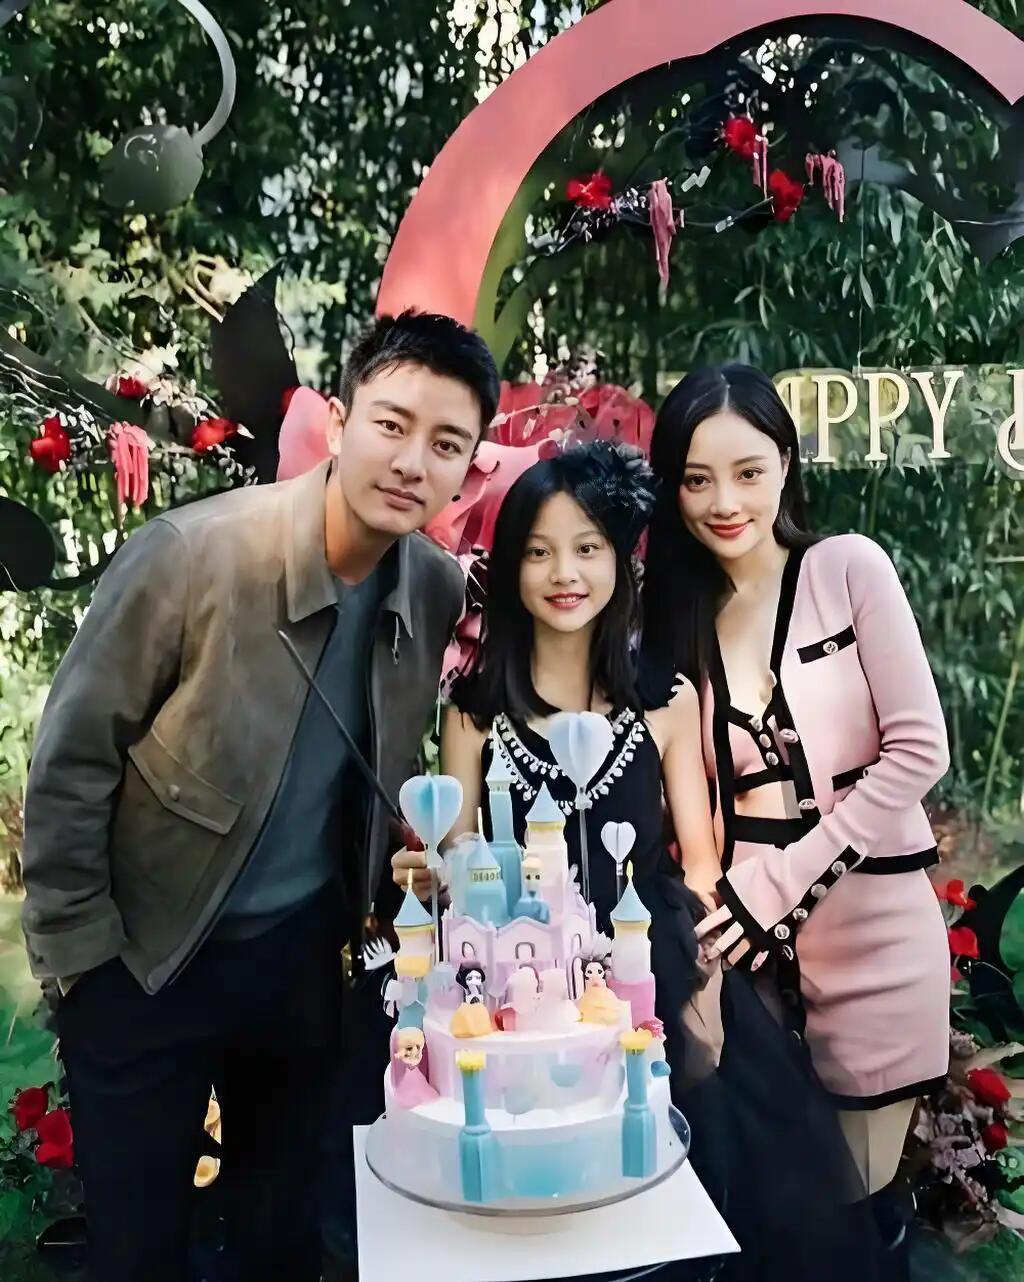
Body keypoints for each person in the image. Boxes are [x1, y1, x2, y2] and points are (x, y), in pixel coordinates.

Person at [19, 310, 500, 1282]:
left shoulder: (432, 587)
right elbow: (71, 761)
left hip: (298, 964)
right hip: (147, 958)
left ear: (467, 468)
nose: (412, 461)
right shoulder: (191, 555)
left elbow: (376, 750)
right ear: (338, 422)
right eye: (392, 425)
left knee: (281, 1241)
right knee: (139, 1253)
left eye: (447, 444)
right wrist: (83, 963)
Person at [642, 363, 950, 1279]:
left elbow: (918, 750)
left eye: (748, 471)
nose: (724, 502)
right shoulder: (677, 616)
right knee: (768, 1213)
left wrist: (775, 884)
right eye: (697, 480)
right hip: (748, 964)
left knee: (852, 1215)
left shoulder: (848, 568)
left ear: (786, 461)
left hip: (875, 944)